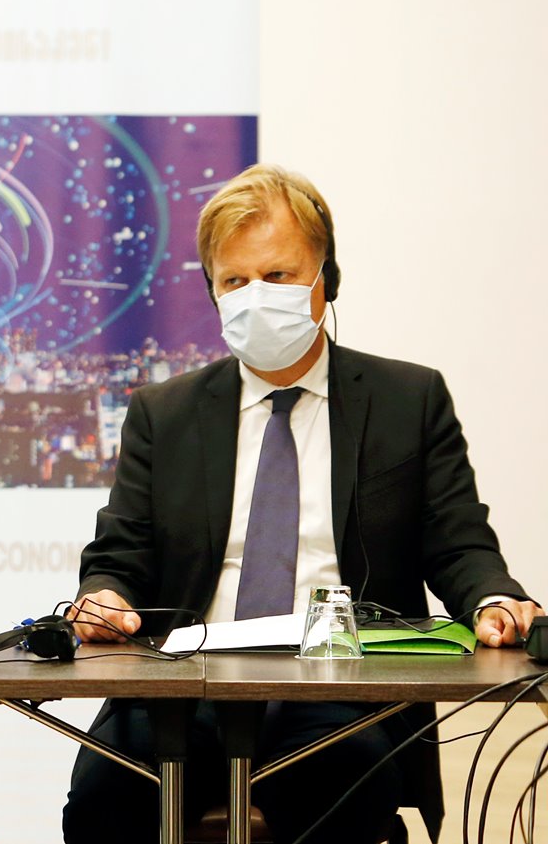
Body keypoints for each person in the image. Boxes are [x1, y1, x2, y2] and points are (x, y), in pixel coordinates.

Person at [65, 163, 537, 842]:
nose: (256, 296)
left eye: (278, 275)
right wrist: (104, 595)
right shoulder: (163, 413)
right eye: (235, 281)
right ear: (213, 293)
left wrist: (494, 599)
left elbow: (459, 543)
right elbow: (120, 554)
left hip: (345, 687)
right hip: (186, 687)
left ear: (326, 279)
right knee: (108, 792)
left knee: (340, 782)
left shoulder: (407, 401)